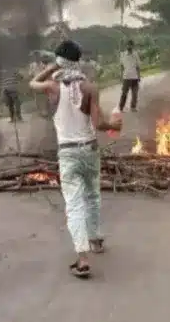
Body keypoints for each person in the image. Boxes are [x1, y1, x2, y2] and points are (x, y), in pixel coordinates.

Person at [29, 39, 122, 279]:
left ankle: (82, 259)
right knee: (92, 195)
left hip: (68, 153)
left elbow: (33, 83)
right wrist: (114, 124)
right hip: (89, 150)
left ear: (60, 61)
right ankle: (96, 239)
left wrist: (51, 67)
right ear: (79, 61)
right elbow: (99, 124)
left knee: (74, 204)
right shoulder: (90, 88)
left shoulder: (53, 87)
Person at [118, 39, 141, 112]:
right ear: (126, 46)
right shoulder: (123, 54)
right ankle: (121, 108)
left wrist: (139, 76)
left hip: (134, 77)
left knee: (135, 94)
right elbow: (121, 66)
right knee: (124, 93)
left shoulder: (136, 55)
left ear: (133, 46)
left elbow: (138, 66)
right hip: (126, 77)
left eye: (130, 45)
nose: (129, 46)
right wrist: (121, 75)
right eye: (128, 44)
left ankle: (133, 107)